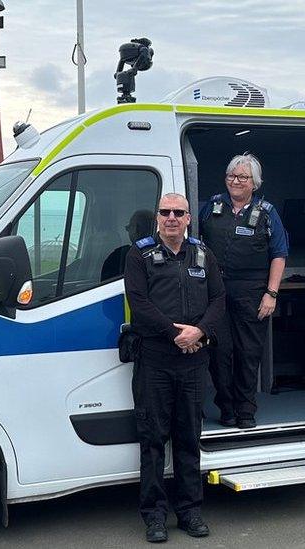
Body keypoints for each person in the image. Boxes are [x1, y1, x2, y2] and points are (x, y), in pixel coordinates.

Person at [124, 193, 225, 543]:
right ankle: (154, 516)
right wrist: (174, 334)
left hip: (194, 360)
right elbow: (138, 302)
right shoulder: (140, 254)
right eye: (165, 212)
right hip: (155, 360)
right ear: (157, 217)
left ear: (187, 219)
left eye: (178, 213)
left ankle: (190, 512)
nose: (171, 218)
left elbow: (218, 299)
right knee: (153, 440)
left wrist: (200, 331)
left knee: (188, 439)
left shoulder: (202, 254)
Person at [199, 153, 289, 429]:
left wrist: (271, 294)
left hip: (252, 292)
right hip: (216, 292)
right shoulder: (211, 207)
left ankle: (245, 410)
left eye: (242, 177)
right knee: (219, 352)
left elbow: (279, 254)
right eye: (231, 176)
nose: (235, 181)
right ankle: (226, 406)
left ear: (255, 183)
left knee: (248, 353)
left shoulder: (267, 212)